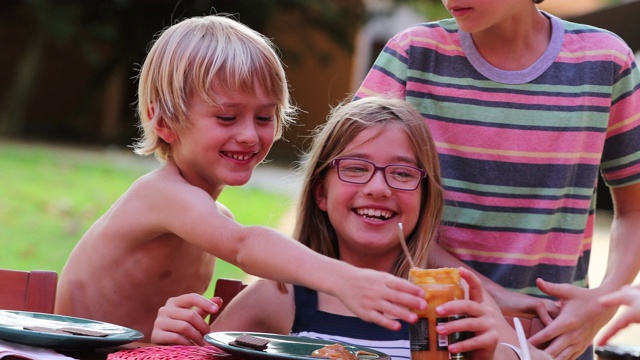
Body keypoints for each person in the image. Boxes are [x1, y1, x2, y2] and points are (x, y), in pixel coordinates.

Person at [54, 14, 429, 342]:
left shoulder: (213, 220)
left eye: (264, 118)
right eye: (227, 118)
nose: (250, 135)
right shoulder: (160, 195)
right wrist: (345, 279)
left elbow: (160, 336)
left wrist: (173, 333)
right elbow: (245, 246)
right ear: (163, 122)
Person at [151, 96, 553, 360]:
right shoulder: (284, 297)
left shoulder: (452, 299)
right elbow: (201, 354)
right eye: (356, 169)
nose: (378, 189)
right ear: (321, 193)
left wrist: (499, 354)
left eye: (401, 173)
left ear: (425, 197)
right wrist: (175, 339)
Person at [354, 1, 640, 359]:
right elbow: (356, 200)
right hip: (423, 336)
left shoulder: (606, 61)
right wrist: (488, 296)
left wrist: (603, 301)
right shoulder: (412, 55)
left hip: (550, 341)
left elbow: (635, 210)